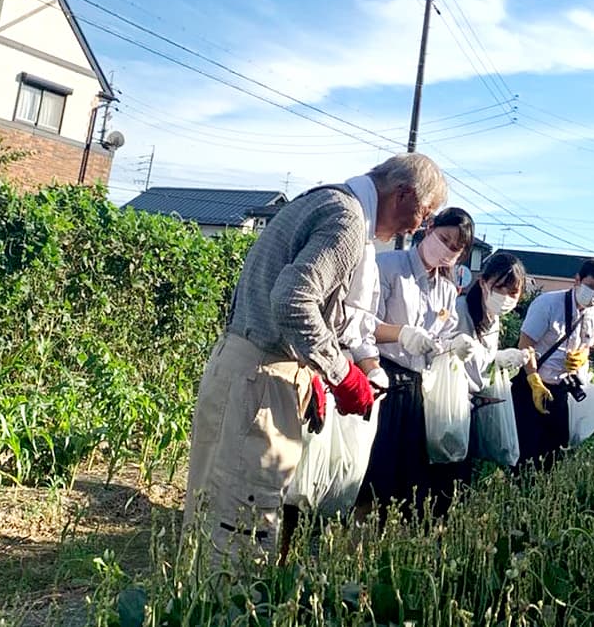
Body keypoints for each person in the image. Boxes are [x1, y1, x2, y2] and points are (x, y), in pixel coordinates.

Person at [182, 153, 446, 563]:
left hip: (252, 368)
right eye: (425, 212)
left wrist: (313, 368)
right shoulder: (346, 219)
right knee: (240, 532)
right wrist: (342, 374)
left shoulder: (326, 201)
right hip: (262, 380)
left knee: (211, 513)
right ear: (403, 194)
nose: (419, 225)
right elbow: (293, 301)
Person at [360, 207, 477, 515]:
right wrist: (400, 333)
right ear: (429, 229)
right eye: (444, 239)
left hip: (416, 387)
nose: (447, 250)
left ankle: (379, 549)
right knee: (371, 474)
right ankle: (352, 546)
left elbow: (440, 339)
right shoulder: (388, 266)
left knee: (402, 480)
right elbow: (361, 323)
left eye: (456, 248)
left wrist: (454, 346)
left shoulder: (447, 290)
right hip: (379, 377)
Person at [513, 258, 594, 469]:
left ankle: (547, 497)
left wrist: (582, 357)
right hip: (531, 385)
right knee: (525, 454)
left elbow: (587, 346)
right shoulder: (547, 303)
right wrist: (533, 380)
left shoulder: (593, 314)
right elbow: (525, 344)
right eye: (590, 286)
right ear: (577, 280)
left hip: (561, 389)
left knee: (555, 453)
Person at [454, 252, 531, 466]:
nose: (506, 297)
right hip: (449, 402)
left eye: (513, 292)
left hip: (472, 406)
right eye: (500, 288)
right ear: (483, 282)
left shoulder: (493, 318)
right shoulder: (460, 310)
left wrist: (500, 359)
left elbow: (481, 359)